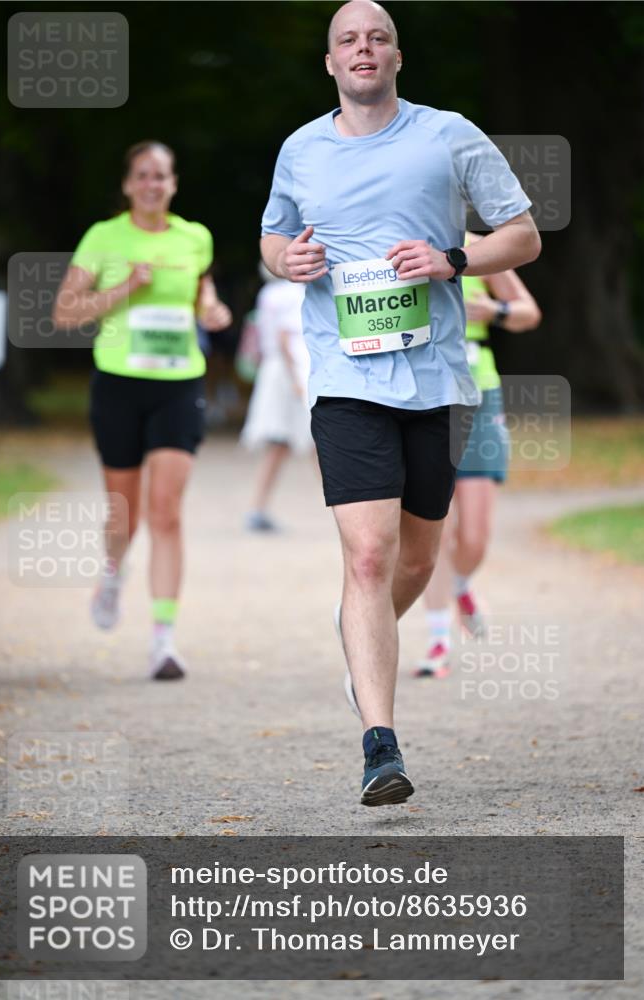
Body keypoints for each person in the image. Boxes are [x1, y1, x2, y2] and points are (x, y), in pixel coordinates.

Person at [260, 0, 541, 806]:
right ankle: (379, 745)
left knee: (416, 561)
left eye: (377, 37)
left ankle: (362, 636)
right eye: (347, 39)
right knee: (368, 556)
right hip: (346, 382)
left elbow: (522, 236)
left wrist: (452, 258)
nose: (362, 48)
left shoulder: (447, 134)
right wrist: (287, 260)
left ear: (395, 56)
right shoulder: (300, 149)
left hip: (438, 381)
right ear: (330, 62)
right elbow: (273, 238)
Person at [53, 141, 231, 680]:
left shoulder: (194, 237)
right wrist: (126, 288)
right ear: (128, 185)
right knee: (124, 514)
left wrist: (213, 310)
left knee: (166, 510)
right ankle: (113, 571)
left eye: (162, 176)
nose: (153, 184)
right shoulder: (103, 237)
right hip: (119, 386)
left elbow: (202, 294)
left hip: (178, 384)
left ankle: (163, 641)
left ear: (173, 184)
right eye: (143, 175)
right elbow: (64, 313)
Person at [418, 241, 542, 677]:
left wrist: (495, 311)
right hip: (424, 394)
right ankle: (438, 639)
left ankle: (460, 584)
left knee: (474, 535)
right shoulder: (399, 240)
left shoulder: (477, 248)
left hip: (480, 394)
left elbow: (528, 311)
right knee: (436, 529)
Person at [240, 266, 313, 532]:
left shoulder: (268, 293)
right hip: (292, 370)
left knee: (281, 443)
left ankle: (257, 507)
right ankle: (344, 507)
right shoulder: (296, 292)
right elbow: (286, 337)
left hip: (273, 369)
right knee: (316, 441)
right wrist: (297, 380)